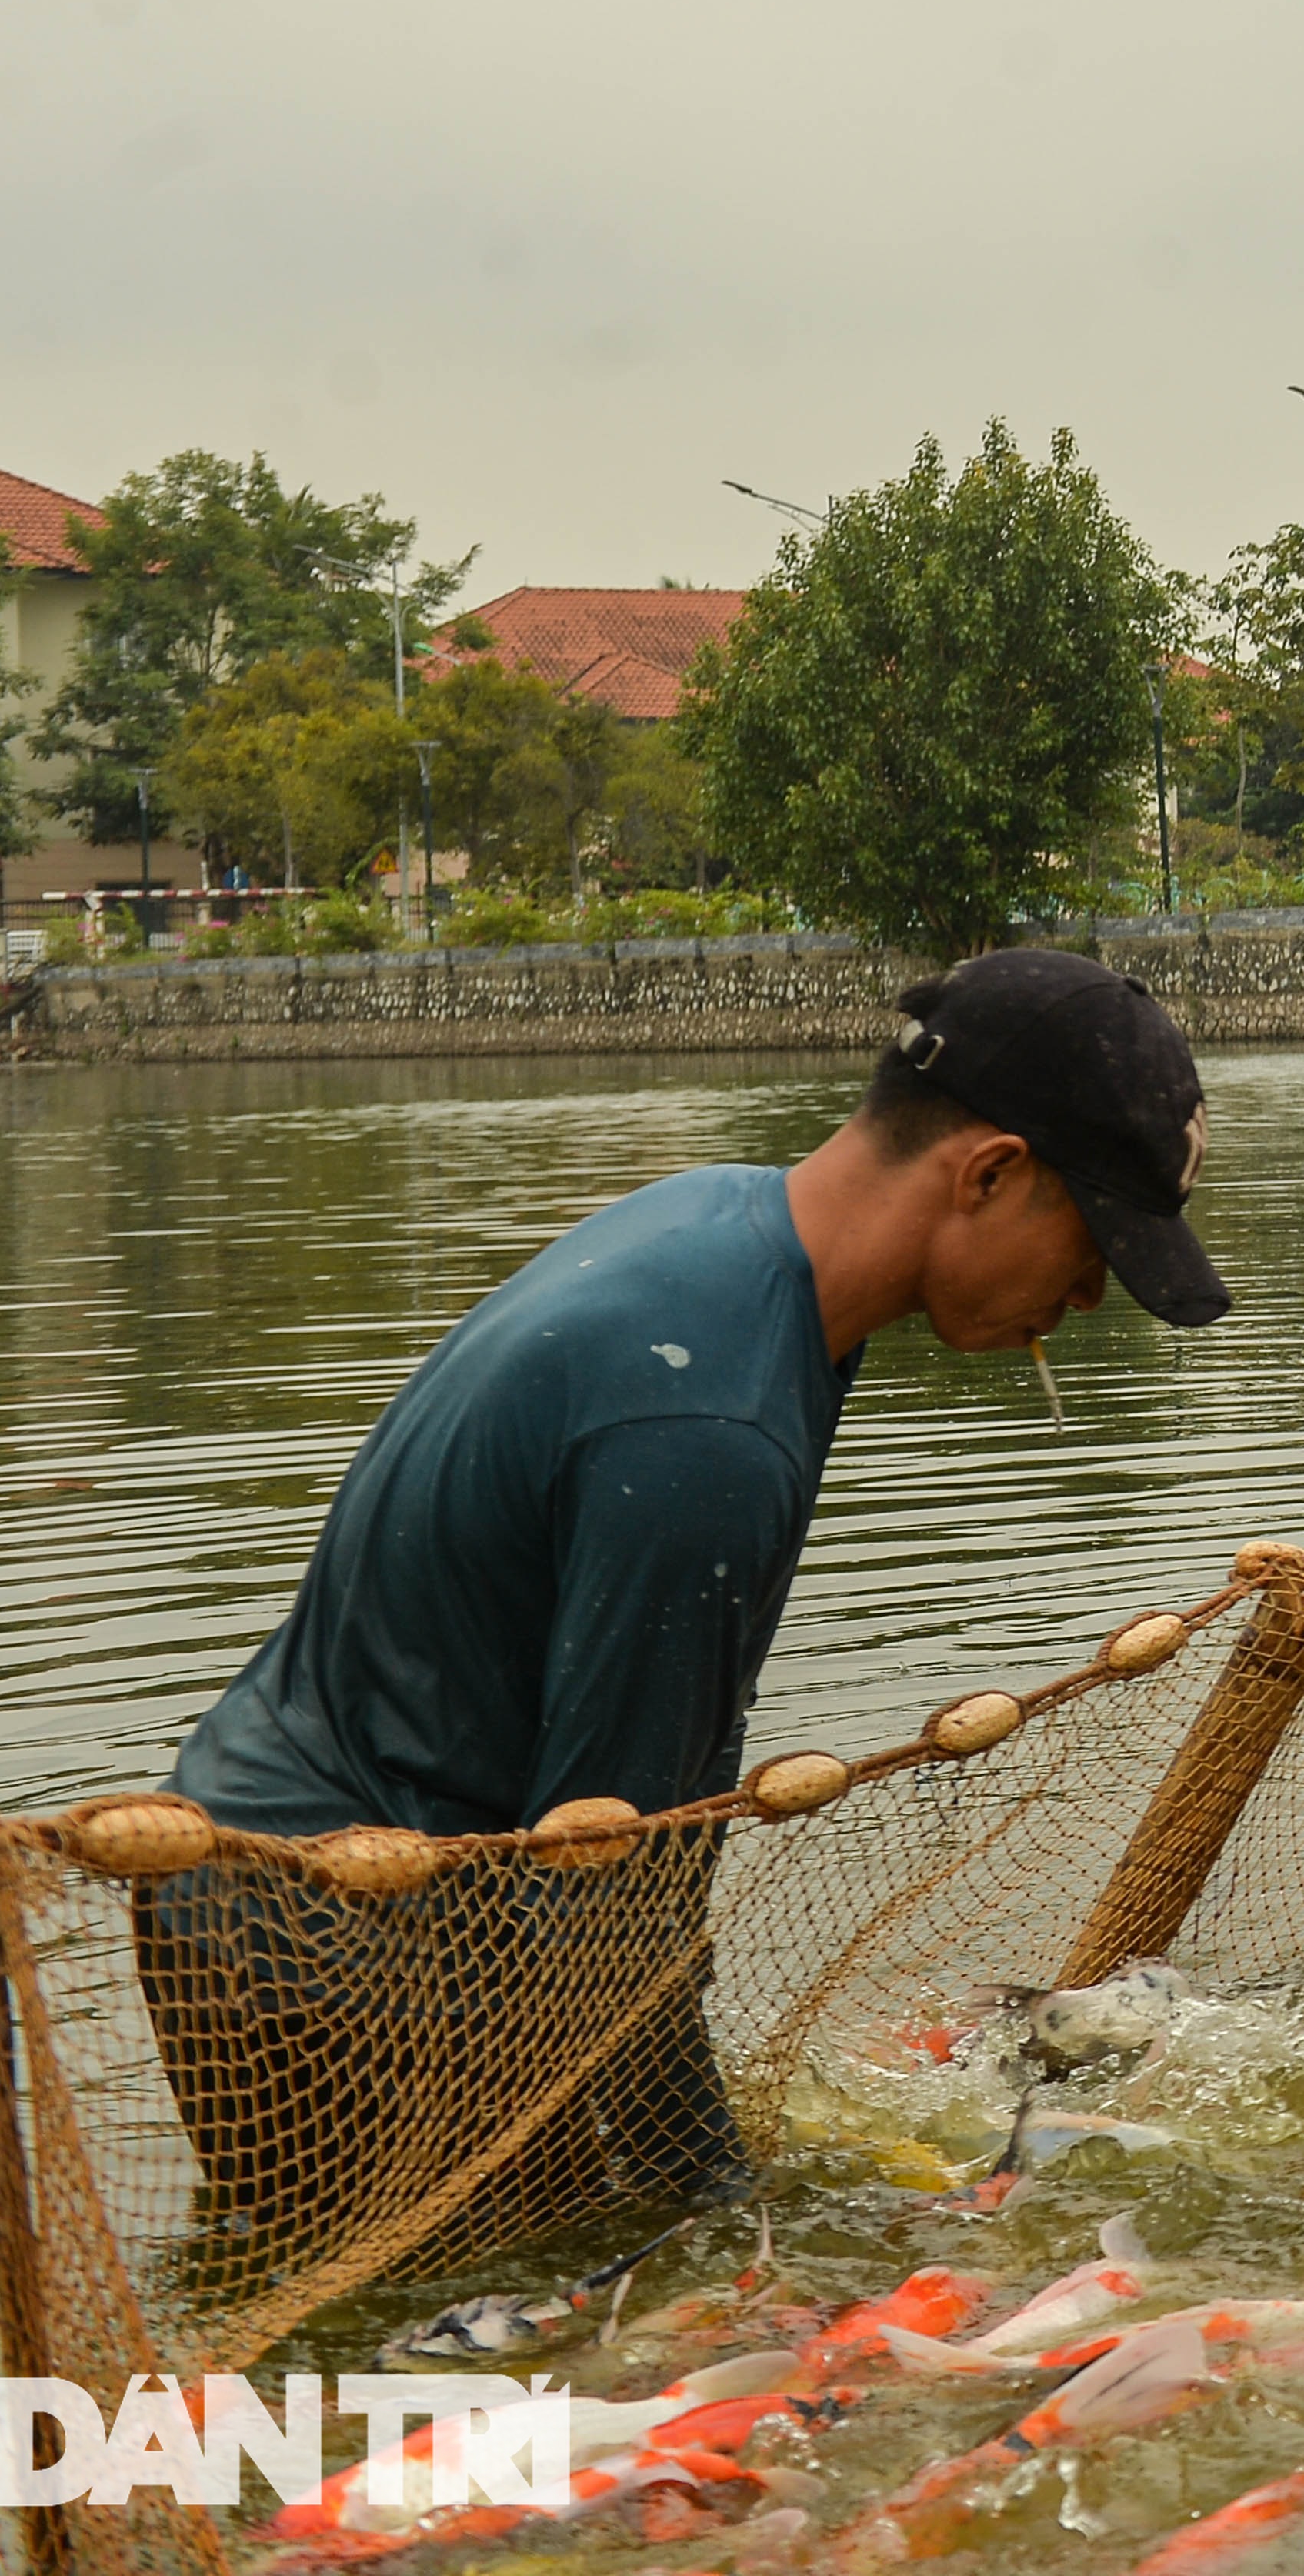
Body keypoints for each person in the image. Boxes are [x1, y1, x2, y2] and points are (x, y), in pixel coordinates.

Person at [147, 949, 1232, 2232]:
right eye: (1094, 1236)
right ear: (989, 1172)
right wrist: (721, 2221)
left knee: (378, 2311)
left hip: (273, 1871)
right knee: (516, 2334)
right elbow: (607, 1897)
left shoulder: (728, 1230)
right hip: (343, 1950)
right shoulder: (709, 1427)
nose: (1093, 1290)